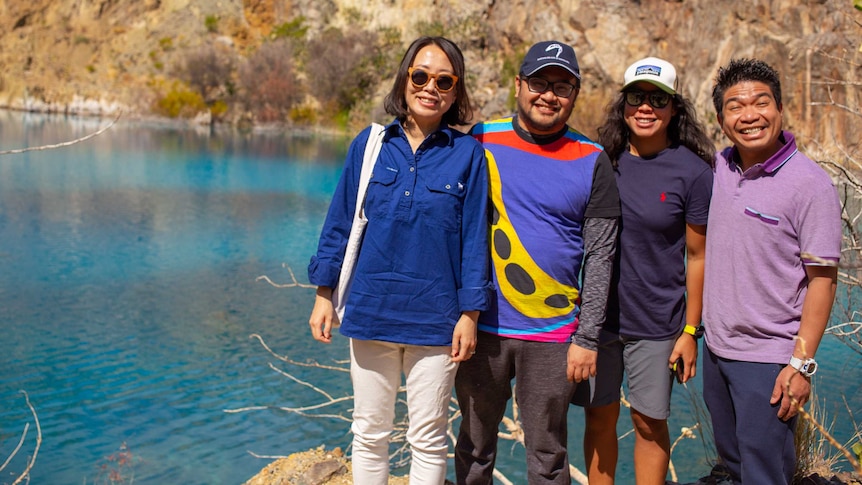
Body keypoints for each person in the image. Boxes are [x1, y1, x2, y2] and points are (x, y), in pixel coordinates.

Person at [307, 36, 492, 485]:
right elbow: (339, 222)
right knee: (370, 432)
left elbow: (474, 240)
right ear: (405, 78)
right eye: (421, 75)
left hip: (437, 319)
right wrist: (323, 293)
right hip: (371, 311)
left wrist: (470, 313)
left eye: (444, 80)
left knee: (428, 437)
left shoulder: (468, 154)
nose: (431, 87)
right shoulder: (370, 145)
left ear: (456, 90)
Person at [454, 40, 621, 485]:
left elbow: (601, 255)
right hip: (480, 328)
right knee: (473, 446)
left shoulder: (592, 159)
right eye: (539, 83)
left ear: (575, 95)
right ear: (518, 85)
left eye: (562, 86)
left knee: (547, 454)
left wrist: (587, 336)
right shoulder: (479, 140)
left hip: (554, 336)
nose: (549, 95)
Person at [576, 57, 715, 485]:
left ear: (674, 108)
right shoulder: (603, 161)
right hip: (599, 322)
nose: (646, 107)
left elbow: (698, 256)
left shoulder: (693, 172)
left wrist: (691, 332)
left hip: (658, 324)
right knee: (599, 418)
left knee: (648, 422)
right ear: (624, 104)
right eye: (637, 96)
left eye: (658, 99)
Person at [702, 58, 841, 484]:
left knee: (766, 471)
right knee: (735, 462)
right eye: (735, 106)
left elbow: (822, 281)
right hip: (717, 350)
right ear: (722, 120)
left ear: (780, 109)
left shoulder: (810, 185)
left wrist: (801, 366)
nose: (749, 115)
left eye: (761, 102)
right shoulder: (720, 167)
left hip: (768, 359)